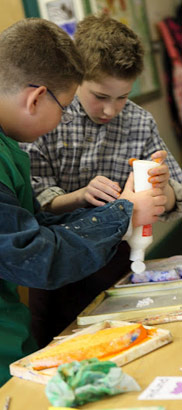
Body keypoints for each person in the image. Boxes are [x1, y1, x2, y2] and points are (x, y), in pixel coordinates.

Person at [0, 17, 166, 387]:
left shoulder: (8, 145)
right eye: (67, 105)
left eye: (121, 98)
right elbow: (36, 253)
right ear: (37, 98)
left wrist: (142, 200)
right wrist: (124, 212)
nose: (109, 110)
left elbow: (31, 226)